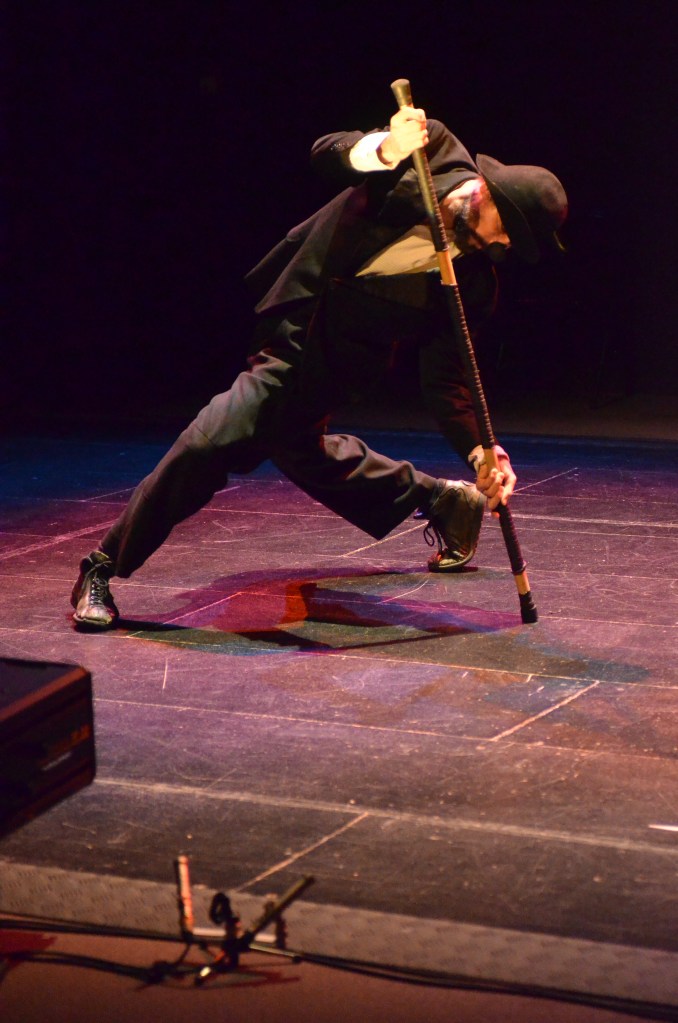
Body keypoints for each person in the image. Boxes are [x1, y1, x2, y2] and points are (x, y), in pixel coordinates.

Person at [71, 104, 567, 630]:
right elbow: (326, 153)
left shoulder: (472, 284)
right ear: (487, 195)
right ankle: (103, 564)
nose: (502, 245)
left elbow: (447, 380)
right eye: (507, 231)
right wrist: (387, 149)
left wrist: (481, 451)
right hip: (293, 321)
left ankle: (443, 499)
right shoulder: (431, 153)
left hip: (341, 365)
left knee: (266, 446)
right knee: (229, 443)